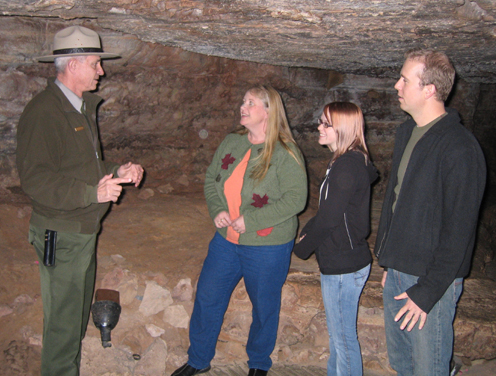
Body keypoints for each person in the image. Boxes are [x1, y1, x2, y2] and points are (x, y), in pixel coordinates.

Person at [16, 26, 144, 376]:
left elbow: (83, 166)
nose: (101, 71)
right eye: (95, 63)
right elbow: (36, 179)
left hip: (82, 230)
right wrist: (93, 193)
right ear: (72, 66)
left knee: (74, 317)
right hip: (61, 232)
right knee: (63, 324)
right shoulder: (44, 113)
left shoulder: (79, 107)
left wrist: (118, 169)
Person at [171, 85, 307, 376]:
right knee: (207, 297)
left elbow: (297, 198)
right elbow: (211, 180)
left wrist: (253, 220)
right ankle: (198, 359)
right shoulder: (232, 142)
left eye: (251, 102)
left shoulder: (285, 152)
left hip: (267, 245)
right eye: (243, 101)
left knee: (264, 306)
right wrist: (217, 210)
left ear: (269, 112)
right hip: (226, 241)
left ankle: (258, 363)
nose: (242, 107)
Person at [374, 49, 486, 376]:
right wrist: (388, 258)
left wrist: (426, 292)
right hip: (399, 270)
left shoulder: (460, 147)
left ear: (429, 89)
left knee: (429, 368)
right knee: (401, 363)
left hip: (430, 280)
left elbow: (460, 231)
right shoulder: (406, 132)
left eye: (405, 79)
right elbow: (397, 200)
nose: (397, 85)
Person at [293, 102, 378, 376]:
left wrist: (301, 248)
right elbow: (330, 211)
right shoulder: (345, 161)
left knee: (343, 340)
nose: (319, 127)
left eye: (326, 124)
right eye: (321, 122)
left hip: (344, 264)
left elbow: (329, 220)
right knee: (337, 337)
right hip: (344, 259)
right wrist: (309, 227)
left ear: (342, 128)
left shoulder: (345, 167)